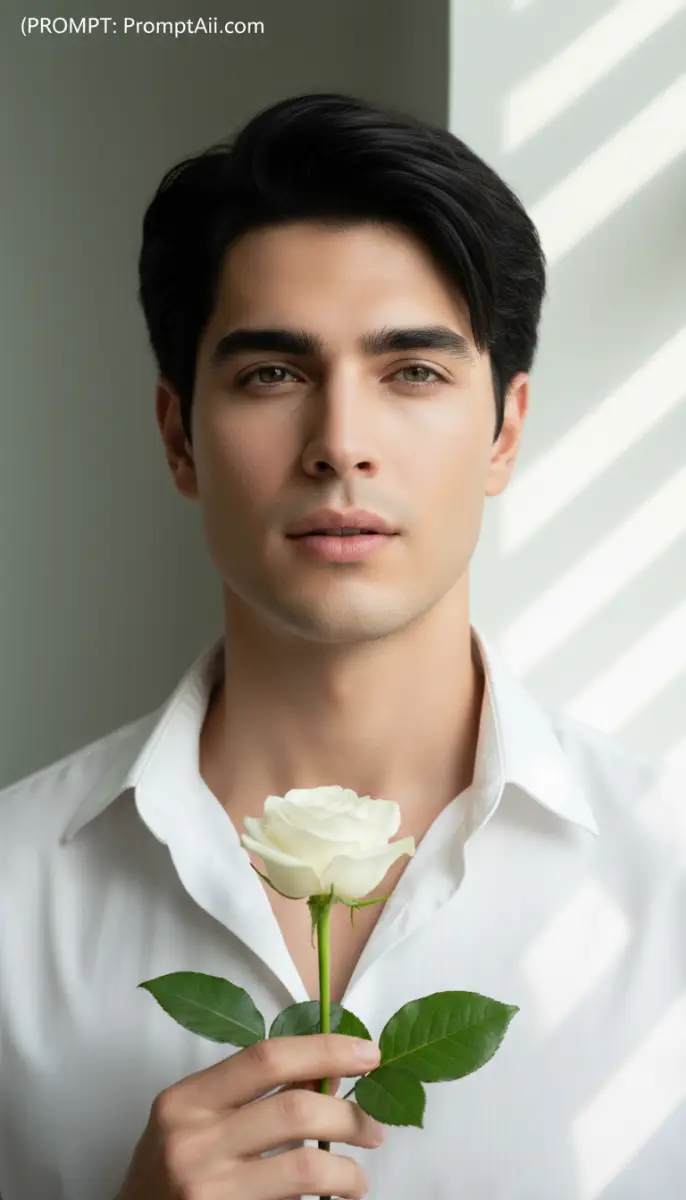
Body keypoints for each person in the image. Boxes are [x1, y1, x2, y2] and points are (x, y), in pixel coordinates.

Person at [0, 91, 683, 1200]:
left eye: (412, 371)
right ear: (179, 437)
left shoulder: (665, 884)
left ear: (504, 430)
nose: (340, 445)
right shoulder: (12, 892)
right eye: (272, 374)